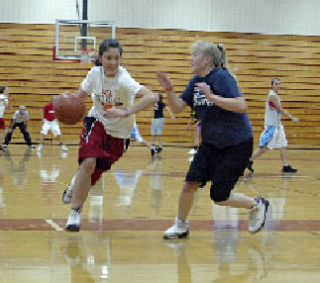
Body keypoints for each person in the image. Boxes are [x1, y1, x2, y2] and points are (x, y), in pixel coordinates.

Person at [156, 40, 269, 239]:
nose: (191, 58)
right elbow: (177, 108)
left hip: (237, 144)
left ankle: (257, 204)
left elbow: (241, 105)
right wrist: (169, 90)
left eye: (195, 55)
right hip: (211, 144)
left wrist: (211, 96)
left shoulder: (221, 77)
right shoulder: (194, 81)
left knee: (219, 196)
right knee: (189, 184)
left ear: (207, 59)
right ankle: (180, 225)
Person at [61, 38, 158, 232]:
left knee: (94, 173)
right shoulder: (94, 74)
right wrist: (64, 104)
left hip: (120, 135)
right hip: (97, 122)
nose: (113, 63)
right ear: (100, 58)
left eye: (116, 58)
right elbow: (79, 97)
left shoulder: (124, 79)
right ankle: (75, 213)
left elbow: (152, 96)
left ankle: (74, 185)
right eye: (108, 58)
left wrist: (126, 112)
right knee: (88, 163)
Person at [247, 78, 299, 173]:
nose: (278, 85)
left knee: (283, 145)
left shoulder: (275, 95)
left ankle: (286, 166)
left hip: (278, 125)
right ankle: (249, 161)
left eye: (279, 84)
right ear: (272, 85)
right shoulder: (272, 95)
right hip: (272, 126)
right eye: (276, 83)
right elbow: (280, 109)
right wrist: (292, 117)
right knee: (265, 147)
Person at [0, 86, 9, 150]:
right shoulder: (2, 96)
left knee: (4, 131)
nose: (8, 90)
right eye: (7, 89)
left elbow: (5, 106)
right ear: (3, 90)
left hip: (1, 117)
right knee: (4, 131)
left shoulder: (5, 97)